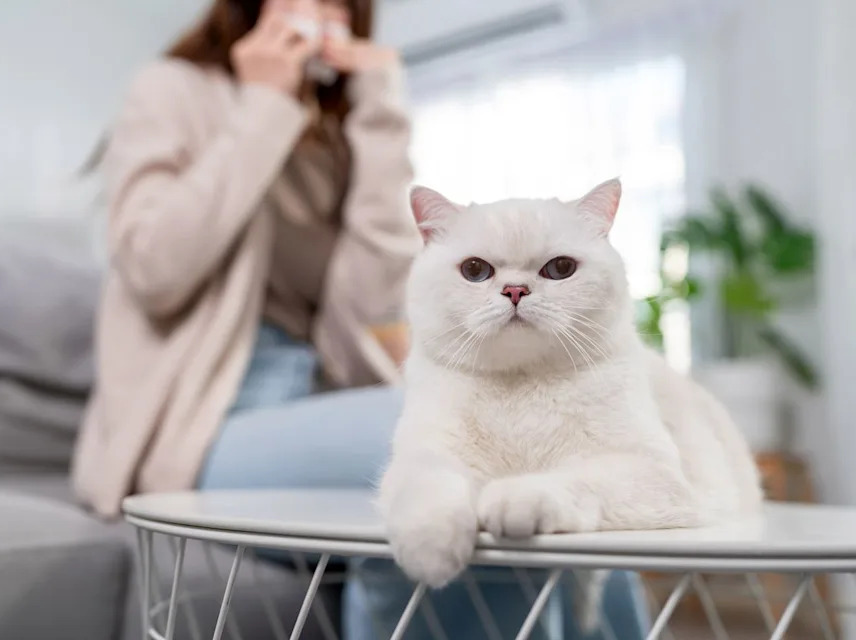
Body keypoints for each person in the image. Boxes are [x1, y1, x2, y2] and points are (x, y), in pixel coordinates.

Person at [72, 0, 649, 637]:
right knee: (465, 444)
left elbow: (376, 302)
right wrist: (262, 104)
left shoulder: (335, 124)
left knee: (571, 455)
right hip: (203, 417)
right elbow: (154, 268)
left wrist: (380, 112)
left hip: (318, 392)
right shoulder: (173, 88)